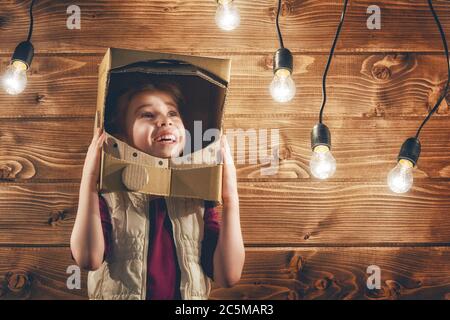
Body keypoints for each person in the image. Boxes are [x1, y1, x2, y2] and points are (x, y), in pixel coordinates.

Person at [70, 81, 245, 299]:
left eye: (172, 112)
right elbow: (88, 258)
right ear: (122, 137)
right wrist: (89, 181)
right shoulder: (111, 197)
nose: (165, 120)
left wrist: (230, 199)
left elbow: (228, 276)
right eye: (147, 115)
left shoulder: (196, 199)